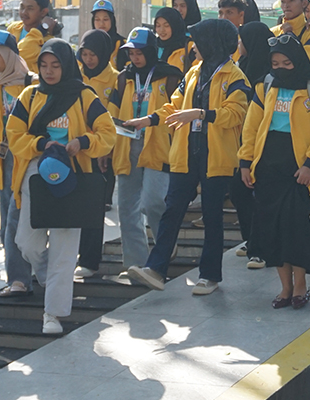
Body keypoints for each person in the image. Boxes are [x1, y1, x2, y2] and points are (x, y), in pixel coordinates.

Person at [126, 19, 250, 296]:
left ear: (212, 42)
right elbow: (175, 104)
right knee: (172, 210)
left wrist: (201, 114)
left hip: (215, 155)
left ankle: (210, 275)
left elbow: (235, 113)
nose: (193, 47)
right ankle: (156, 268)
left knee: (212, 215)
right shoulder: (193, 72)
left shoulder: (235, 77)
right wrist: (149, 119)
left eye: (198, 41)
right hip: (186, 151)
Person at [6, 39, 115, 333]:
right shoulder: (29, 96)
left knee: (65, 251)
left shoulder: (84, 95)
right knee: (26, 243)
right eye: (44, 65)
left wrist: (82, 143)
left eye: (56, 65)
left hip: (75, 177)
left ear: (67, 65)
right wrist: (41, 143)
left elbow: (107, 132)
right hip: (35, 175)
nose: (50, 71)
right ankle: (45, 274)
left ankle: (52, 314)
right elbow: (14, 135)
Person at [240, 36, 310, 309]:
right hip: (269, 166)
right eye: (275, 63)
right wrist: (246, 161)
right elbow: (252, 125)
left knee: (295, 227)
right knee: (273, 229)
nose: (280, 68)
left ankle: (301, 285)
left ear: (298, 61)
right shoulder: (265, 85)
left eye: (287, 63)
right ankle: (285, 287)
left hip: (299, 170)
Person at [111, 27, 183, 273]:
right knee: (127, 207)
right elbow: (110, 111)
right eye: (131, 53)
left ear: (152, 51)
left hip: (158, 145)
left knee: (153, 202)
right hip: (126, 145)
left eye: (140, 52)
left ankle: (164, 241)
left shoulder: (170, 76)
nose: (136, 58)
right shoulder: (123, 77)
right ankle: (136, 263)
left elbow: (178, 109)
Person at [0, 30, 36, 298]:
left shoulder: (30, 84)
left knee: (15, 221)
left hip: (27, 158)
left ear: (10, 54)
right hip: (2, 160)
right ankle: (24, 275)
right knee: (7, 223)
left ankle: (19, 280)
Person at [76, 29, 120, 276]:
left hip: (100, 150)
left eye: (93, 54)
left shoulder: (115, 79)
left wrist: (107, 149)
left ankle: (90, 260)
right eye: (85, 53)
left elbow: (113, 118)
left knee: (94, 207)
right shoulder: (75, 76)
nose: (89, 59)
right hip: (75, 149)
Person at [231, 21, 274, 268]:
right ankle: (251, 240)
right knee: (240, 191)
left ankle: (261, 248)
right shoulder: (242, 66)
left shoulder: (269, 74)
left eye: (242, 40)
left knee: (259, 196)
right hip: (245, 141)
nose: (239, 45)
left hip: (265, 143)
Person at [8, 0, 59, 70]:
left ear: (43, 12)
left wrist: (41, 30)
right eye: (22, 7)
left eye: (30, 9)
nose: (24, 12)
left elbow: (19, 56)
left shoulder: (47, 41)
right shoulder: (13, 29)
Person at [90, 0, 129, 69]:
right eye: (97, 20)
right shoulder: (88, 44)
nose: (101, 23)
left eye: (105, 19)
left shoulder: (123, 44)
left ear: (112, 20)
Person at [153, 7, 193, 73]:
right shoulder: (153, 45)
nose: (161, 30)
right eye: (158, 26)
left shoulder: (189, 46)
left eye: (166, 26)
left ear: (175, 26)